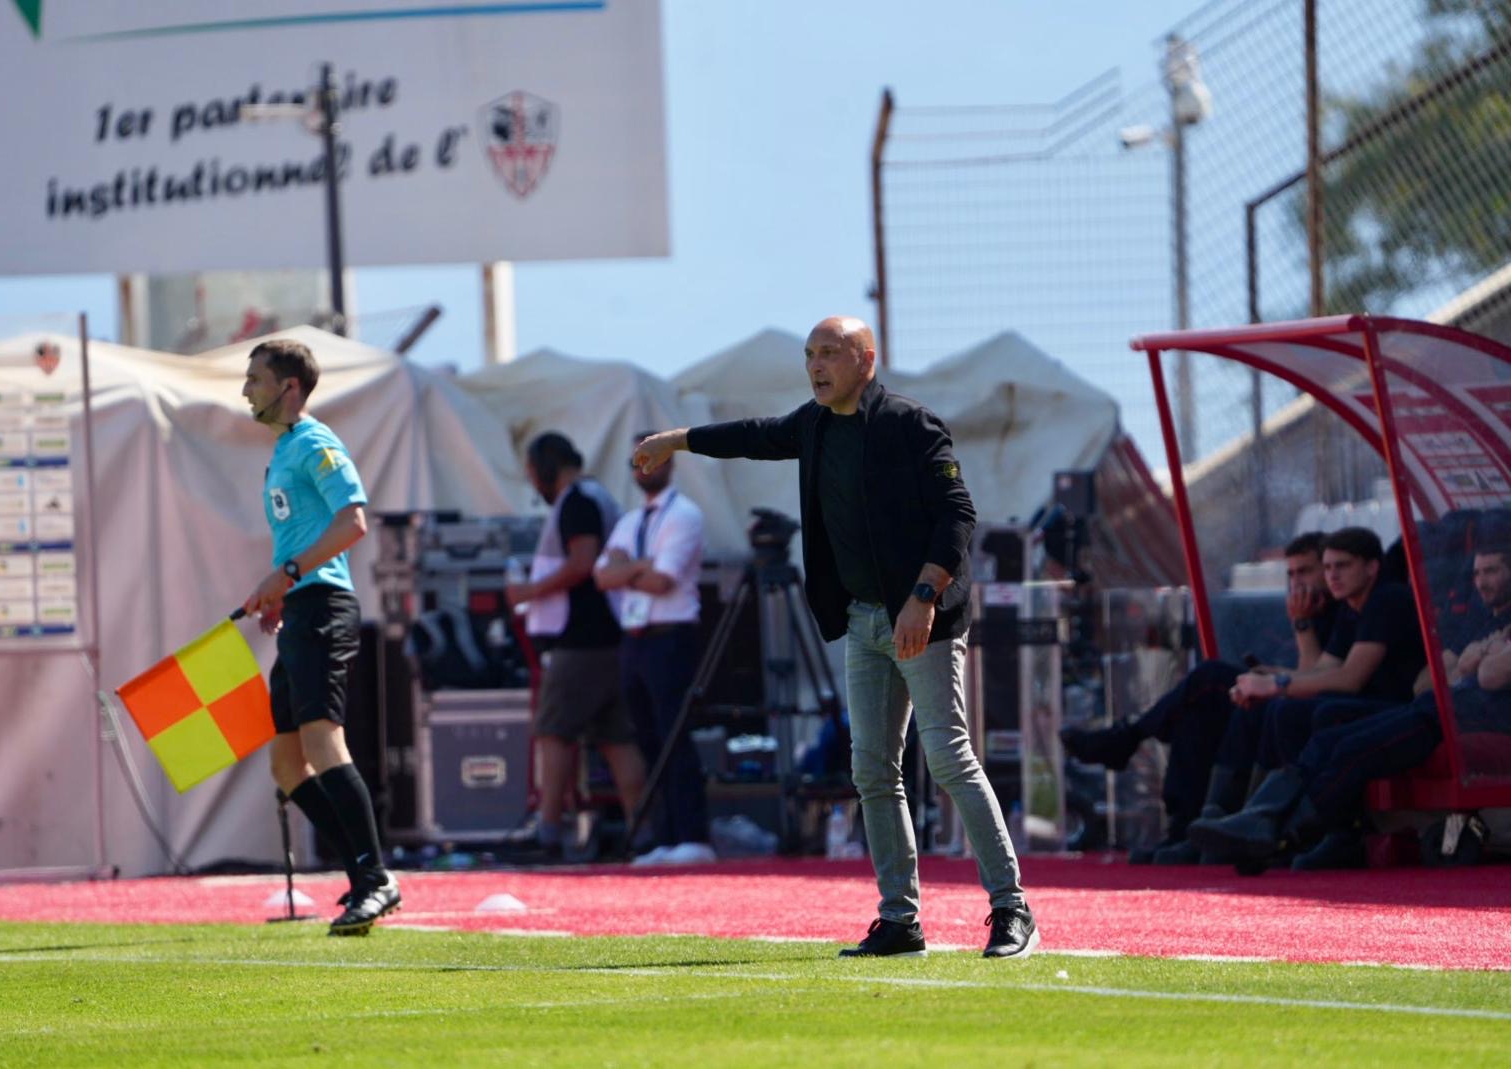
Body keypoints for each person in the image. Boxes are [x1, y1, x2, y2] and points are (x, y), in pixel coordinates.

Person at [634, 315, 1035, 959]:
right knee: (872, 770)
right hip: (862, 620)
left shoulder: (911, 423)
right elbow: (753, 436)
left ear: (866, 361)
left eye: (830, 354)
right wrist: (675, 440)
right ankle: (901, 921)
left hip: (921, 618)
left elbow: (958, 515)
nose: (816, 365)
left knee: (949, 759)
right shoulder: (813, 424)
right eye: (810, 355)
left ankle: (1012, 909)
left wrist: (922, 599)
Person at [1188, 545, 1511, 870]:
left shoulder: (1391, 600)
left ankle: (1280, 834)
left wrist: (1477, 659)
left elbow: (1488, 675)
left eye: (1492, 571)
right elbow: (1428, 682)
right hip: (1436, 707)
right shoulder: (1481, 622)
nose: (1481, 582)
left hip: (1476, 717)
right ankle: (1260, 817)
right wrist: (1485, 652)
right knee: (1328, 739)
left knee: (1351, 749)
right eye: (1477, 573)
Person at [240, 338, 399, 936]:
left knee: (324, 743)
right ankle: (362, 873)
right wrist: (280, 592)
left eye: (255, 378)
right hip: (300, 609)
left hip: (324, 608)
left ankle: (376, 876)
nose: (245, 388)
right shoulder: (283, 451)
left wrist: (286, 575)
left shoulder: (315, 442)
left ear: (289, 386)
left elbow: (353, 522)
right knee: (285, 764)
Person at [1060, 531, 1337, 864]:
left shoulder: (1338, 612)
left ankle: (1128, 737)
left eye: (1305, 571)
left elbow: (1319, 680)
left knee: (1210, 678)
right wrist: (1268, 673)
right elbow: (1303, 674)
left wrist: (1298, 634)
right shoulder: (1308, 609)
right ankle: (1188, 829)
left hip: (1321, 706)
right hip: (1289, 694)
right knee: (1199, 710)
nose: (1296, 582)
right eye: (1290, 574)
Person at [506, 432, 648, 859]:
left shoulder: (578, 502)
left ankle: (547, 831)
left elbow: (583, 560)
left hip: (582, 641)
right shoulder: (597, 496)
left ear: (548, 468)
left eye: (533, 474)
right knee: (617, 740)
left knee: (553, 731)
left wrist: (531, 591)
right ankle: (644, 833)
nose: (533, 485)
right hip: (611, 637)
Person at [594, 434, 714, 865]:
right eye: (637, 461)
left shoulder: (684, 515)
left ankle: (692, 834)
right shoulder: (629, 521)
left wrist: (629, 568)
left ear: (668, 462)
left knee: (674, 734)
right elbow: (601, 576)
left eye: (651, 459)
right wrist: (637, 568)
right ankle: (664, 836)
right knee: (645, 738)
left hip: (671, 634)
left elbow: (662, 580)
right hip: (636, 636)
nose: (643, 468)